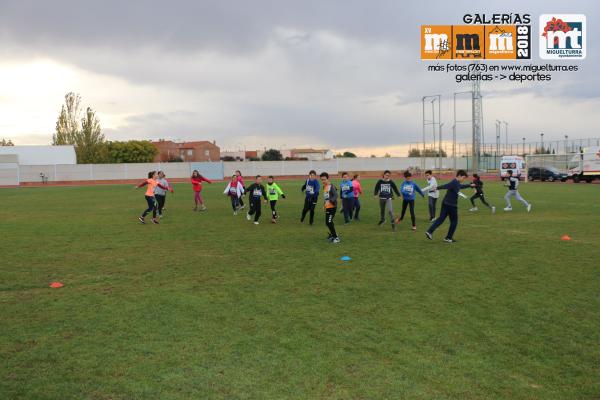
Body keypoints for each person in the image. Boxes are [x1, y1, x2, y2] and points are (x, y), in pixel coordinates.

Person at [424, 170, 474, 243]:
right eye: (463, 178)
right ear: (459, 176)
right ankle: (448, 238)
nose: (464, 179)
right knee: (454, 221)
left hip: (445, 203)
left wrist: (469, 185)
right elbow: (458, 190)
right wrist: (464, 196)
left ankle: (429, 231)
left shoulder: (454, 182)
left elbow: (447, 186)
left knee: (441, 219)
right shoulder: (455, 183)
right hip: (452, 205)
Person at [320, 172, 340, 243]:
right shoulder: (324, 187)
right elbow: (326, 197)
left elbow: (336, 195)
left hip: (332, 207)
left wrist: (331, 201)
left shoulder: (332, 186)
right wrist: (324, 205)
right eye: (322, 180)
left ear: (328, 179)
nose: (323, 181)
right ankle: (333, 234)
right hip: (328, 207)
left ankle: (336, 238)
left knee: (329, 222)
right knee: (327, 222)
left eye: (324, 179)